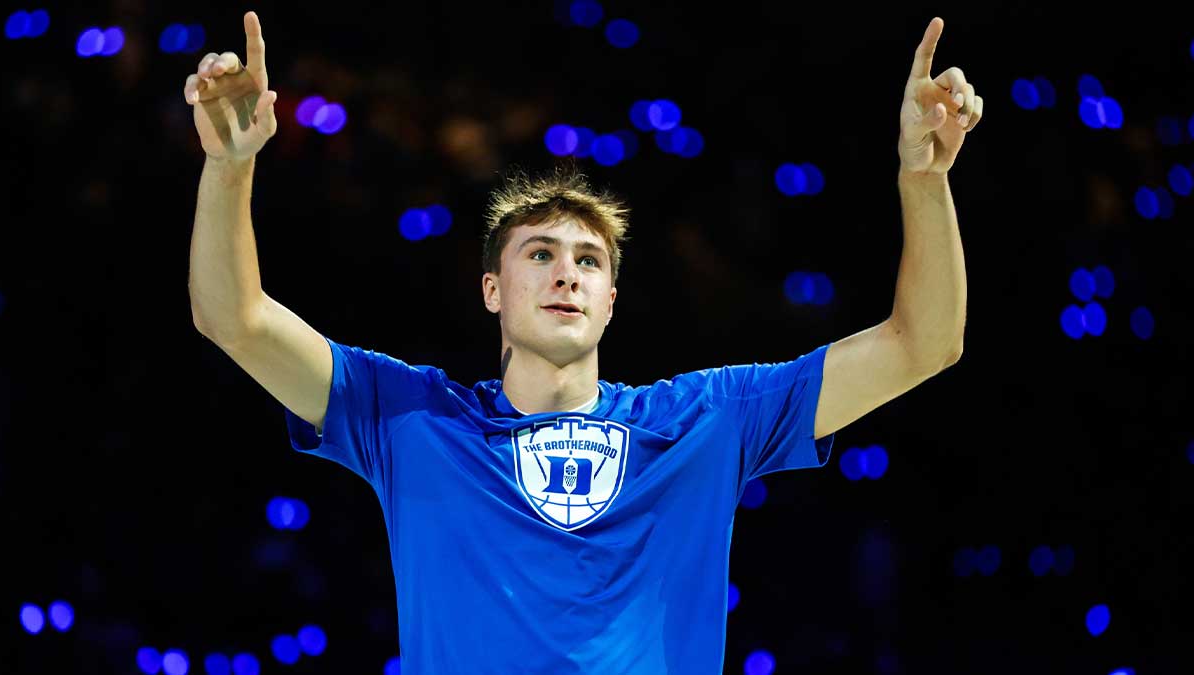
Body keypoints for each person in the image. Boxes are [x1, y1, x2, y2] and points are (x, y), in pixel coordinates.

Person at [186, 11, 981, 674]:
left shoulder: (708, 419)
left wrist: (925, 179)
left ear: (609, 302)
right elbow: (237, 319)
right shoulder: (409, 417)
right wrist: (227, 168)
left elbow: (924, 342)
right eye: (539, 254)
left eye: (588, 260)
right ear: (492, 291)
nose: (566, 271)